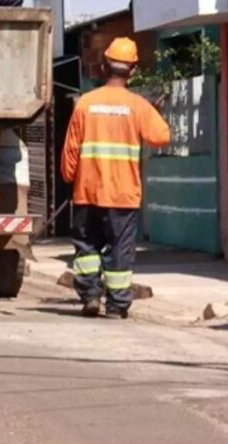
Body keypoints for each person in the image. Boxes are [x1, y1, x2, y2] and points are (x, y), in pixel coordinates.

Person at [61, 37, 171, 319]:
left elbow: (71, 149)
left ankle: (90, 296)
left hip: (87, 191)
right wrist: (153, 113)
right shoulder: (137, 106)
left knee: (87, 248)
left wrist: (70, 178)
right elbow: (162, 137)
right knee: (119, 252)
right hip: (122, 195)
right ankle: (117, 305)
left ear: (104, 65)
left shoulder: (85, 103)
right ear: (132, 70)